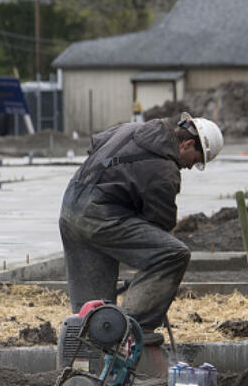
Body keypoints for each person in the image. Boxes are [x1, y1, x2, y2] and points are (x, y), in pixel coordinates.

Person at [58, 111, 223, 336]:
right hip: (101, 216)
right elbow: (161, 223)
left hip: (70, 207)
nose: (190, 167)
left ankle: (90, 355)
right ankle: (131, 329)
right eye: (195, 160)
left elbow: (96, 145)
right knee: (172, 254)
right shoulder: (165, 171)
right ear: (187, 144)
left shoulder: (131, 128)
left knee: (93, 313)